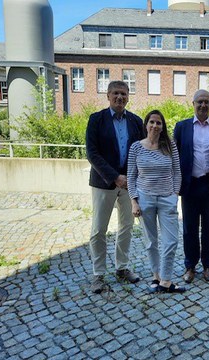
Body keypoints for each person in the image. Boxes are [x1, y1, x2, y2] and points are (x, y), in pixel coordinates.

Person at [86, 80, 144, 294]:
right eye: (116, 94)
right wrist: (114, 177)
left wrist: (131, 178)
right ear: (108, 96)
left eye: (124, 94)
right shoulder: (96, 120)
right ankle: (98, 274)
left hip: (130, 184)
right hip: (103, 183)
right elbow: (92, 153)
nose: (120, 97)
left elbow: (142, 151)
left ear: (128, 96)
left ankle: (122, 268)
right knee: (99, 230)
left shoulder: (136, 122)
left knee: (126, 227)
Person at [173, 89, 209, 283]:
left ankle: (208, 265)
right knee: (189, 227)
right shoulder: (182, 128)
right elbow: (175, 157)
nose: (203, 105)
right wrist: (175, 184)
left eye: (206, 102)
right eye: (200, 102)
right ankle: (190, 266)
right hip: (189, 186)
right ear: (193, 104)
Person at [127, 110, 185, 294]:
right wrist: (134, 202)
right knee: (151, 241)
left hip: (167, 198)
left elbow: (177, 172)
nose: (155, 125)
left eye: (158, 123)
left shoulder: (170, 146)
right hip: (145, 199)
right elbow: (131, 176)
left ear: (162, 126)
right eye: (152, 122)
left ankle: (166, 280)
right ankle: (156, 277)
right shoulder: (136, 147)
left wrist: (175, 194)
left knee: (171, 240)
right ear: (146, 125)